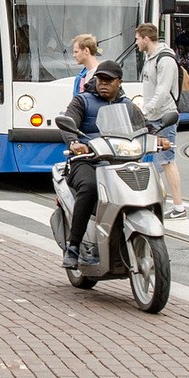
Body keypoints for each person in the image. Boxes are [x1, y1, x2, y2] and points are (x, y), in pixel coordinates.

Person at [60, 61, 132, 268]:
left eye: (109, 81)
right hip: (86, 161)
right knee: (90, 187)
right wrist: (74, 143)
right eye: (101, 80)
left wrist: (157, 137)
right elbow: (68, 122)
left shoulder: (127, 105)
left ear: (120, 82)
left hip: (117, 162)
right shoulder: (82, 101)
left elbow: (142, 126)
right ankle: (73, 246)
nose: (103, 84)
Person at [135, 22, 186, 220]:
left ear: (146, 38)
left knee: (167, 161)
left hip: (164, 117)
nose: (137, 42)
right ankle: (152, 203)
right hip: (152, 117)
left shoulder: (165, 60)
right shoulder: (150, 58)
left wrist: (144, 111)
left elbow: (163, 92)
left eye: (138, 38)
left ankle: (179, 207)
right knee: (150, 161)